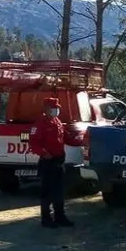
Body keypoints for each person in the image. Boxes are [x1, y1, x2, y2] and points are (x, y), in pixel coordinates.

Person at [30, 97, 74, 229]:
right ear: (47, 109)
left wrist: (79, 140)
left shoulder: (57, 121)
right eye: (54, 108)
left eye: (57, 108)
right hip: (47, 162)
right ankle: (46, 219)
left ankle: (60, 216)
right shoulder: (39, 124)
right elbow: (33, 143)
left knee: (59, 191)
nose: (56, 110)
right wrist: (44, 153)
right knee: (47, 193)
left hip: (59, 161)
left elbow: (65, 137)